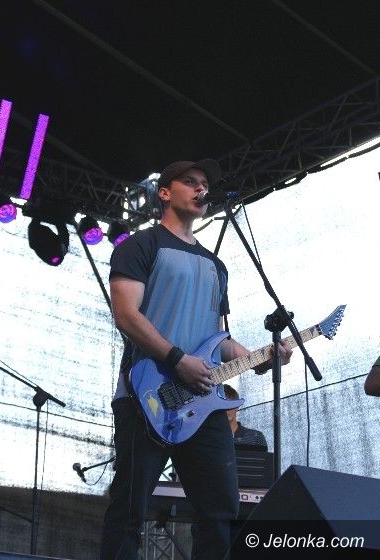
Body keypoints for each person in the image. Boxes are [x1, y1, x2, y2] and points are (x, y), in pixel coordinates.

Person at [100, 158, 293, 560]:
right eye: (190, 182)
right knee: (129, 507)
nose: (201, 189)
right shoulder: (141, 245)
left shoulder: (216, 266)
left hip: (202, 403)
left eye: (204, 184)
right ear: (164, 193)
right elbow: (126, 315)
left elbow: (217, 338)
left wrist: (258, 357)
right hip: (146, 395)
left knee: (221, 511)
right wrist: (177, 359)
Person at [223, 384, 268, 451]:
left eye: (228, 404)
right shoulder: (210, 437)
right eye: (220, 406)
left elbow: (264, 458)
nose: (225, 410)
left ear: (237, 406)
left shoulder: (256, 437)